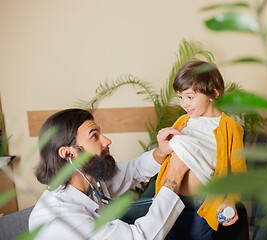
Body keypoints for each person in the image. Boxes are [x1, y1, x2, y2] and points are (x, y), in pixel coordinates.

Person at [28, 108, 189, 240]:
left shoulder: (89, 180)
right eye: (94, 136)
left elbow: (134, 170)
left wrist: (161, 152)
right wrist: (174, 176)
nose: (107, 141)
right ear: (68, 154)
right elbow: (139, 238)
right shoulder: (61, 219)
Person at [154, 61, 247, 239]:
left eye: (190, 97)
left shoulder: (229, 127)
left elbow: (238, 170)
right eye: (180, 97)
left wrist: (231, 200)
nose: (183, 104)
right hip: (172, 199)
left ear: (213, 93)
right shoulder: (181, 122)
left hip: (204, 205)